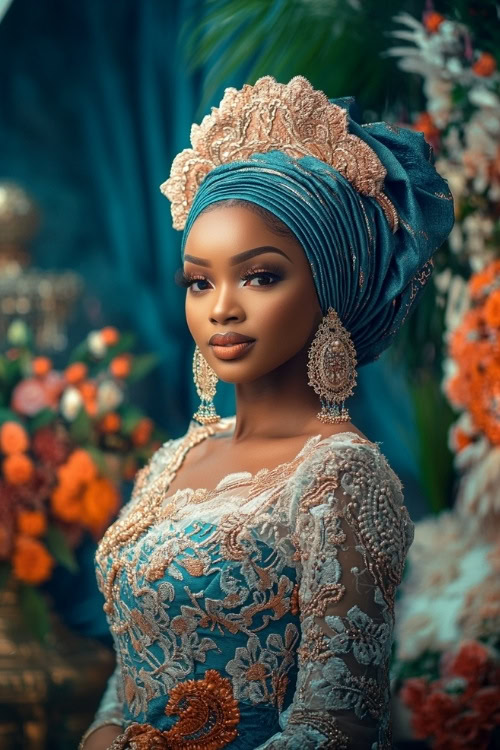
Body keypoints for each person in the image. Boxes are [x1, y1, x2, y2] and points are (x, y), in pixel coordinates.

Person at [80, 76, 454, 749]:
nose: (221, 306)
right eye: (200, 281)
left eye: (259, 275)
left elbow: (335, 730)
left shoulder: (342, 477)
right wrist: (105, 734)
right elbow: (132, 671)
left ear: (330, 285)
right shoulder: (175, 460)